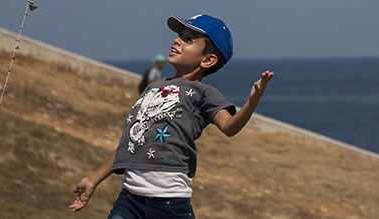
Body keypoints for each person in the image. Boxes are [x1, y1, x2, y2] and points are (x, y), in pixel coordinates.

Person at [70, 13, 274, 218]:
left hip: (170, 205)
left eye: (188, 39)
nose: (177, 40)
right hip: (129, 201)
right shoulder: (153, 88)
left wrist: (252, 102)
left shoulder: (204, 93)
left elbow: (229, 127)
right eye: (180, 35)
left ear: (208, 60)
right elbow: (130, 144)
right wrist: (92, 180)